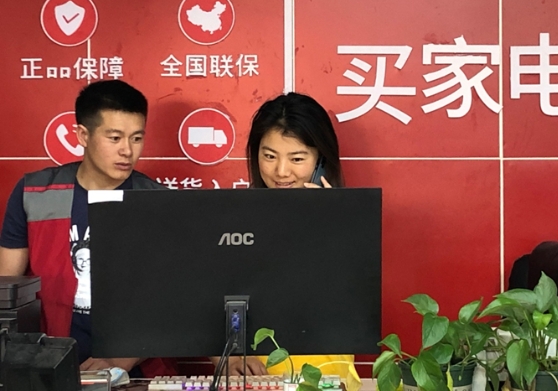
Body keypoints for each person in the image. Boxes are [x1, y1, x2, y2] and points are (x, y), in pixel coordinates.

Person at [0, 80, 259, 378]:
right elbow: (7, 293)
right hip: (48, 365)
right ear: (83, 135)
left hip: (142, 373)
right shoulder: (35, 193)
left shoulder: (160, 203)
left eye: (137, 138)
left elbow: (185, 295)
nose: (127, 151)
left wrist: (227, 357)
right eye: (114, 138)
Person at [244, 92, 356, 380]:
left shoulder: (345, 223)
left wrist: (328, 227)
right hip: (257, 378)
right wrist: (227, 356)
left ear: (321, 161)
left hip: (328, 377)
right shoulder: (235, 221)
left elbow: (351, 308)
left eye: (296, 158)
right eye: (269, 156)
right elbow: (207, 304)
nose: (281, 172)